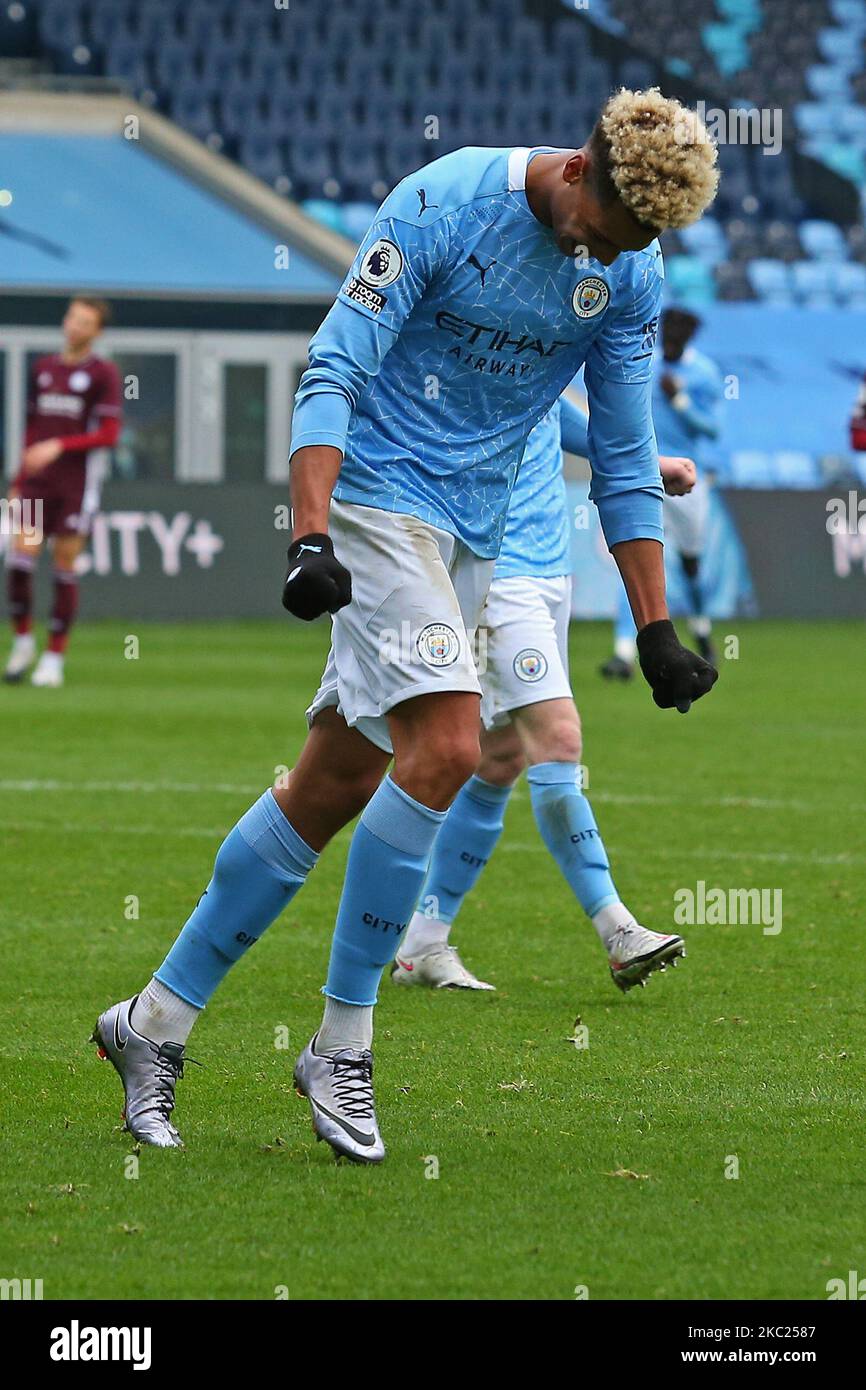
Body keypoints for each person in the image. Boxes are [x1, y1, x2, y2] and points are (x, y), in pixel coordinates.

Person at [93, 89, 719, 1164]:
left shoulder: (630, 268)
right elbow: (332, 368)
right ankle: (340, 1046)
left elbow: (620, 452)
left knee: (329, 784)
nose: (607, 258)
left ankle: (150, 1024)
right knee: (448, 748)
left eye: (632, 248)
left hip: (476, 531)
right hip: (379, 502)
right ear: (578, 170)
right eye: (604, 233)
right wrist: (307, 537)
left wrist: (654, 623)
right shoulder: (440, 203)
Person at [394, 392, 696, 992]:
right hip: (499, 574)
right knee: (558, 739)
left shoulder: (538, 340)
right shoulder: (479, 343)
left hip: (550, 572)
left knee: (500, 757)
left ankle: (422, 943)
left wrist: (645, 464)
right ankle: (617, 930)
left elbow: (564, 420)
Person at [3, 297, 121, 688]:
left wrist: (60, 446)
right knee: (20, 562)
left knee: (63, 567)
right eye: (72, 317)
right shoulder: (44, 369)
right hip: (38, 485)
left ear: (96, 331)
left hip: (75, 485)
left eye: (85, 322)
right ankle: (22, 641)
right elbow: (33, 426)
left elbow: (108, 433)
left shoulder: (102, 374)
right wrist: (20, 477)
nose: (75, 326)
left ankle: (53, 657)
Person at [601, 307, 723, 680]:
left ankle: (701, 628)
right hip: (644, 474)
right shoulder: (643, 366)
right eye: (666, 332)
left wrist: (681, 401)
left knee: (690, 564)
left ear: (688, 338)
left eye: (677, 335)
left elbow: (712, 429)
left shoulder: (703, 374)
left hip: (685, 479)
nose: (669, 340)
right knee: (633, 561)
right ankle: (623, 654)